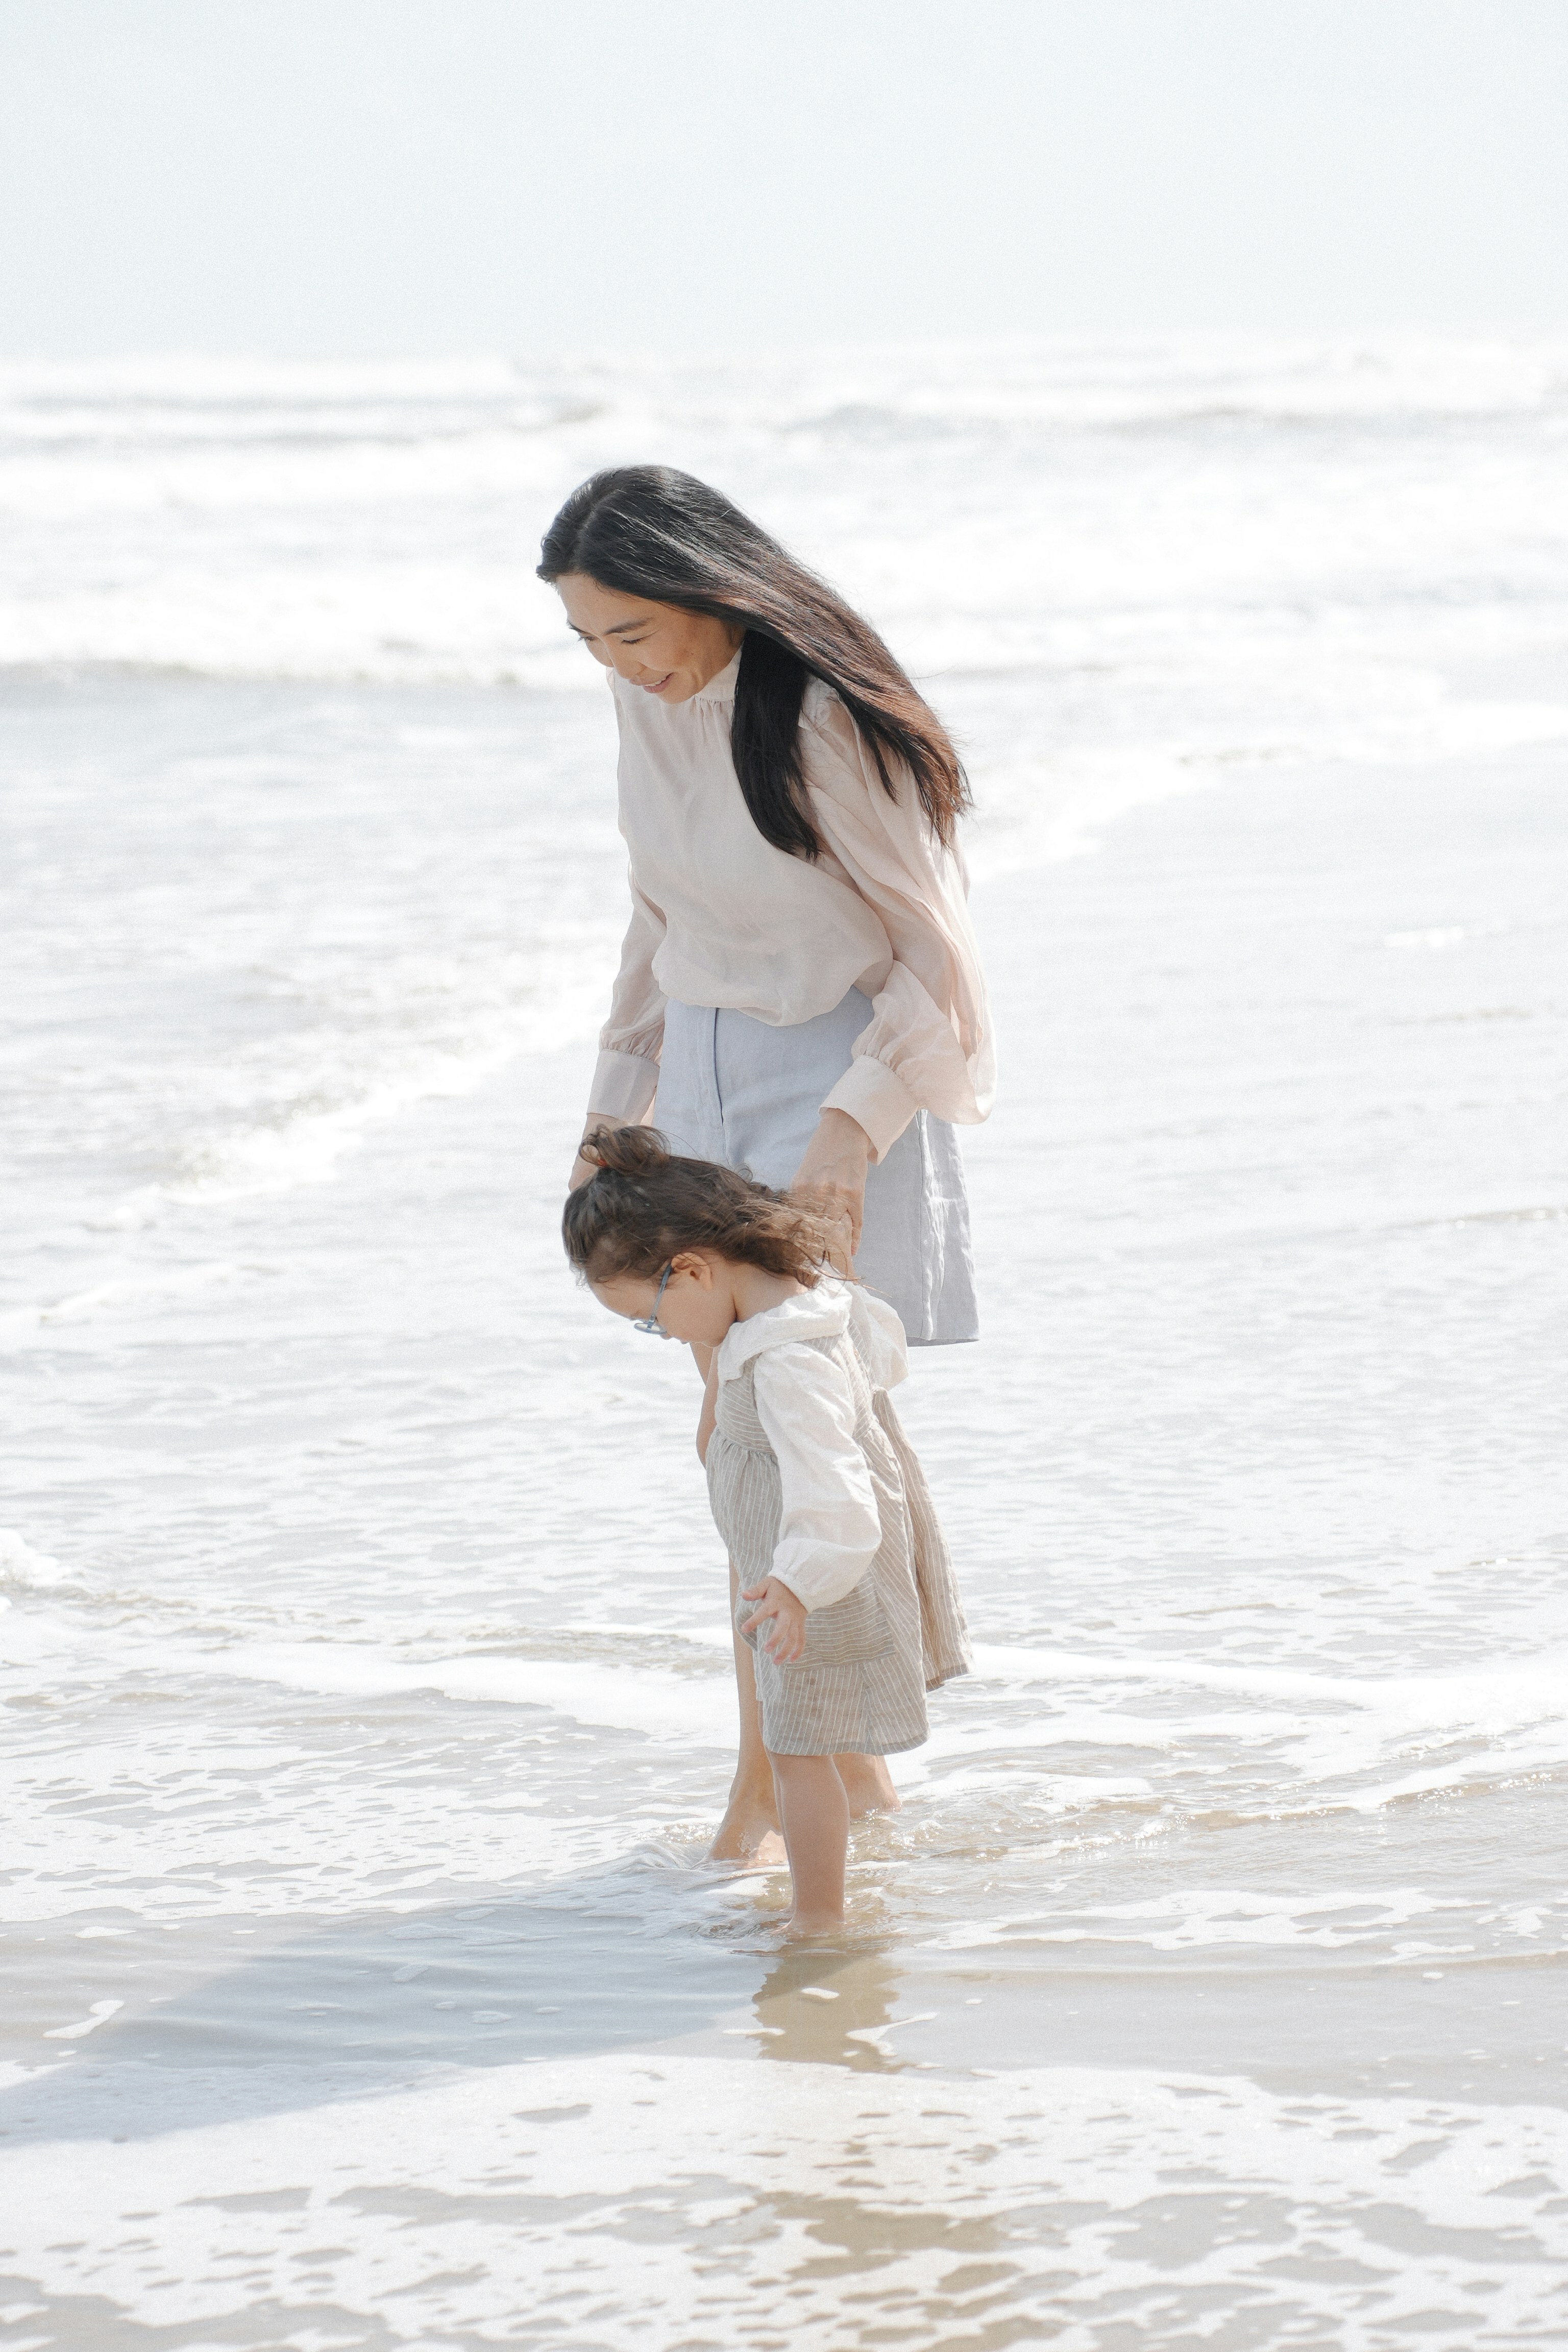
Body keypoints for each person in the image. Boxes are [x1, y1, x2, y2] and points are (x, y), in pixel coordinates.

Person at [540, 465, 994, 1860]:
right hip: (700, 1073)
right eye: (591, 643)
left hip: (832, 1084)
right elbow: (653, 916)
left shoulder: (820, 720)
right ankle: (832, 1781)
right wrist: (617, 1111)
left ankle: (782, 1786)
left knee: (797, 1445)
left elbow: (938, 965)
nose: (620, 665)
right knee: (737, 1452)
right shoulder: (649, 707)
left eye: (633, 632)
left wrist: (848, 1137)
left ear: (704, 588)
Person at [562, 1126, 970, 1936]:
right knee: (805, 1746)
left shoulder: (788, 1361)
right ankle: (833, 1886)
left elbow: (837, 1491)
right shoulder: (793, 1311)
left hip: (817, 1584)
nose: (665, 1337)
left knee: (798, 1752)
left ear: (693, 1270)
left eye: (649, 1321)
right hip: (801, 1579)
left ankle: (818, 1921)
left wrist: (793, 1587)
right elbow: (881, 1356)